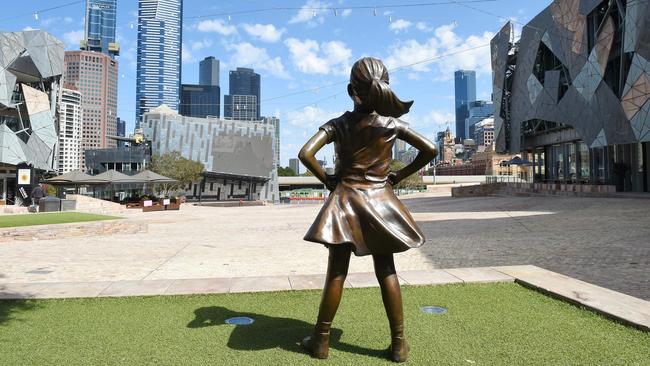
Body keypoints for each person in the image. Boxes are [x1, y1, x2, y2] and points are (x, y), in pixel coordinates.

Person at [298, 57, 437, 363]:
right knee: (386, 269)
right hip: (380, 202)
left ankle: (320, 342)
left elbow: (306, 154)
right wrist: (399, 177)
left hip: (345, 201)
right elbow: (431, 149)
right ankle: (399, 345)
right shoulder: (391, 124)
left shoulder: (338, 124)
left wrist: (328, 180)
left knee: (336, 272)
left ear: (351, 90)